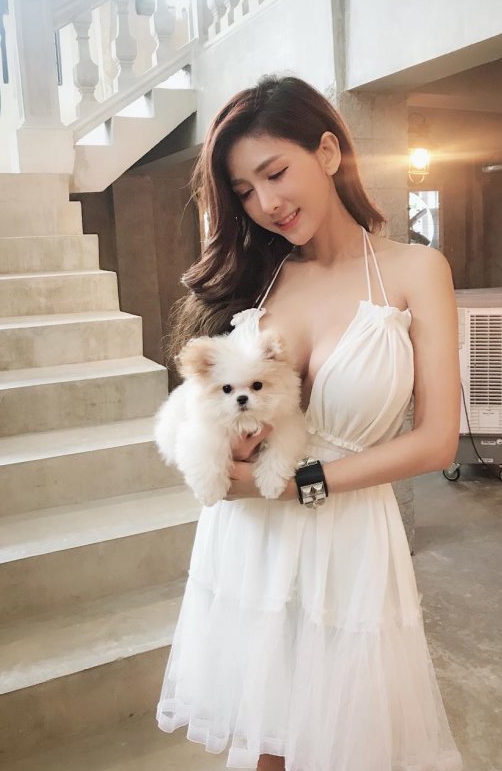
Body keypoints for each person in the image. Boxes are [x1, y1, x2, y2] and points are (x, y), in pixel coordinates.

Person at [156, 74, 463, 771]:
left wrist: (304, 482)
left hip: (348, 535)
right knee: (264, 746)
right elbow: (209, 407)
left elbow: (437, 440)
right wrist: (221, 452)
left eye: (275, 173)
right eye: (244, 191)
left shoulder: (417, 270)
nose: (266, 204)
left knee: (342, 740)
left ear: (327, 152)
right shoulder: (259, 280)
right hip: (250, 537)